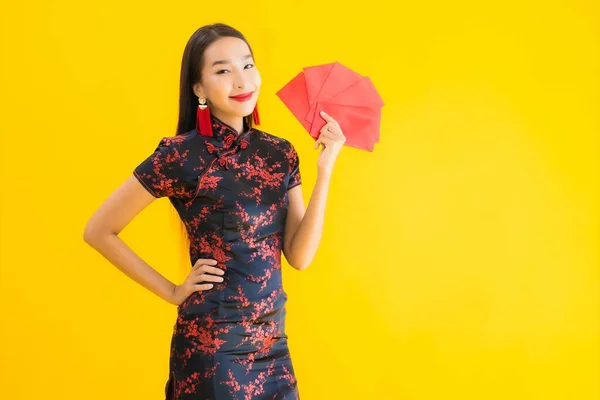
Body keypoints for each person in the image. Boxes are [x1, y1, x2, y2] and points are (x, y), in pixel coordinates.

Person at [83, 23, 346, 399]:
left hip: (274, 347)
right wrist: (172, 290)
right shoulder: (180, 155)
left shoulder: (280, 153)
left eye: (247, 65)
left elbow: (300, 256)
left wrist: (326, 169)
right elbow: (99, 230)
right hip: (214, 348)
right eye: (223, 70)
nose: (241, 81)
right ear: (199, 88)